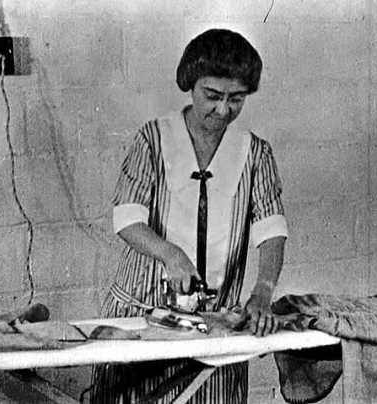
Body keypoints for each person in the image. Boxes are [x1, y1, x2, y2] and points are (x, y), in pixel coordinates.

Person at [91, 28, 288, 404]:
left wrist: (263, 291)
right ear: (190, 85)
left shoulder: (256, 154)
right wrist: (171, 254)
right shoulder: (153, 138)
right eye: (212, 96)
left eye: (236, 99)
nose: (223, 110)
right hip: (143, 310)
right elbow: (127, 218)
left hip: (213, 325)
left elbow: (272, 229)